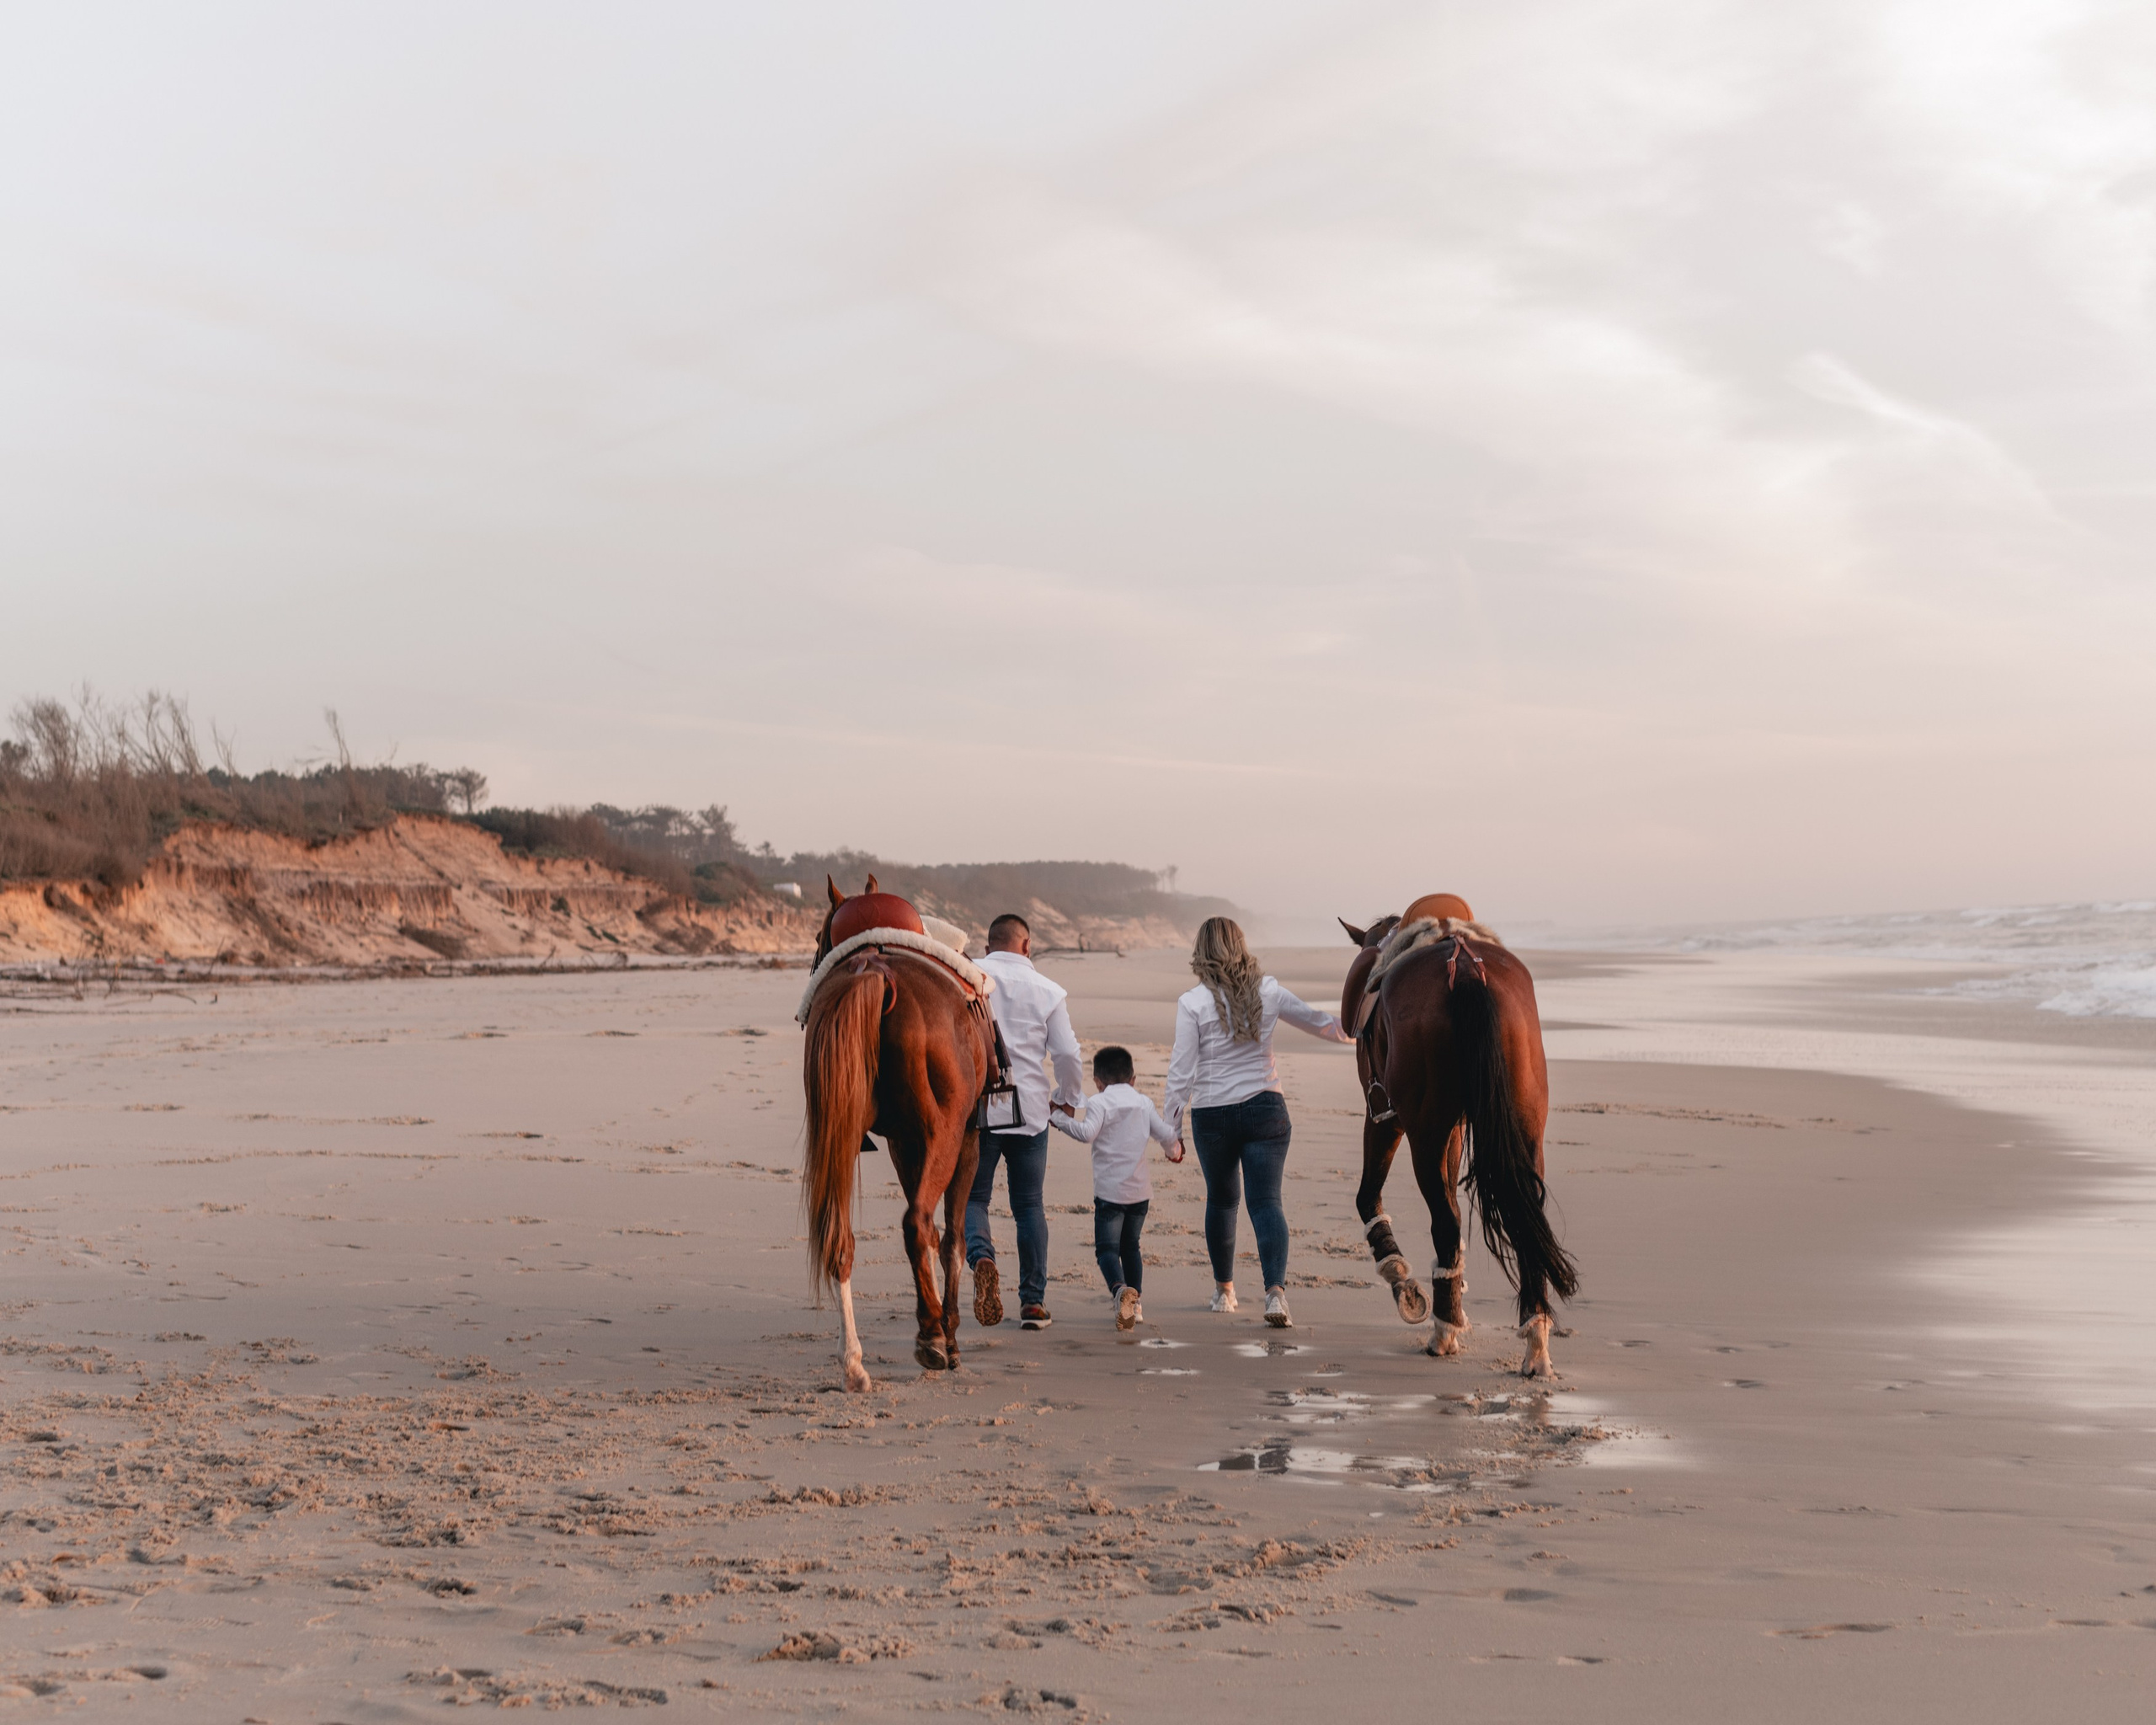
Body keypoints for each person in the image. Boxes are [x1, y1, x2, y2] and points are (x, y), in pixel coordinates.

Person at [1164, 916, 1351, 1328]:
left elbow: (1181, 1072)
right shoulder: (1269, 991)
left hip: (1213, 1115)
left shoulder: (1192, 1002)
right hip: (1266, 1108)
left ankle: (1224, 1291)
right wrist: (1361, 1028)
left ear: (1201, 951)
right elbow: (1322, 1024)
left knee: (1222, 1200)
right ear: (1242, 947)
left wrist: (1170, 1131)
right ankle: (1275, 1295)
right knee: (1266, 1202)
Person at [967, 912, 1083, 1331]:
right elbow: (1068, 1055)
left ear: (987, 947)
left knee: (974, 1200)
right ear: (1027, 946)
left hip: (978, 1108)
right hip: (1031, 1110)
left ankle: (981, 1258)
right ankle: (1033, 1304)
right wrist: (1065, 1100)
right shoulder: (1048, 990)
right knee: (1029, 1205)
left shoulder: (970, 978)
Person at [1049, 1044, 1182, 1332]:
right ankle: (1136, 1304)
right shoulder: (1144, 1103)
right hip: (1139, 1193)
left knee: (1107, 1250)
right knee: (1131, 1246)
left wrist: (1058, 1118)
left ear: (1098, 1082)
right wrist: (1175, 1149)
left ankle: (1120, 1290)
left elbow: (1086, 1134)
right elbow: (1165, 1135)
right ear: (1133, 1079)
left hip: (1110, 1193)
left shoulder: (1100, 1103)